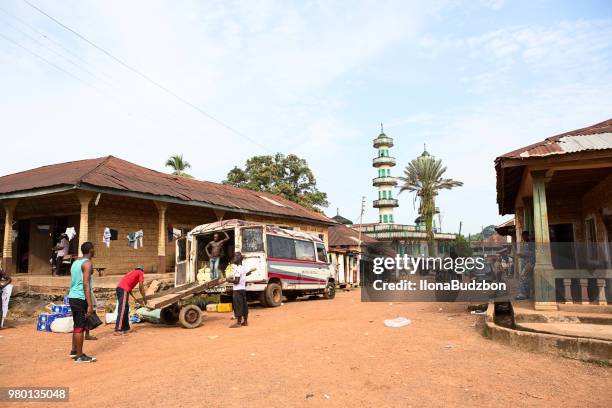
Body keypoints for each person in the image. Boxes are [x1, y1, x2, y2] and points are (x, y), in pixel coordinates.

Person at [68, 242, 96, 363]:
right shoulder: (87, 263)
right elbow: (85, 284)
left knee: (77, 325)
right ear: (91, 250)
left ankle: (74, 351)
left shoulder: (76, 263)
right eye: (94, 249)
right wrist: (90, 304)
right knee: (80, 327)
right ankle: (79, 356)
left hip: (72, 296)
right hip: (80, 297)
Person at [114, 266, 147, 335]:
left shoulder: (132, 273)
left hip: (121, 289)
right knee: (123, 309)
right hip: (123, 290)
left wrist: (136, 299)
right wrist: (144, 298)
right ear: (142, 270)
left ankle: (126, 328)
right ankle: (118, 329)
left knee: (126, 308)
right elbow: (141, 286)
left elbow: (129, 288)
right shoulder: (140, 272)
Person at [230, 252, 256, 328]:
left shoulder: (238, 269)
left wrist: (229, 280)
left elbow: (237, 281)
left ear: (238, 258)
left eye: (235, 257)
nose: (234, 258)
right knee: (244, 305)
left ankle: (238, 323)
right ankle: (245, 321)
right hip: (243, 289)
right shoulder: (243, 268)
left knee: (238, 306)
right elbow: (246, 274)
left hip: (237, 290)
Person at [515, 231, 535, 300]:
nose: (523, 237)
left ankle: (523, 294)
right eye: (522, 236)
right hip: (527, 263)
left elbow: (533, 253)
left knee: (523, 277)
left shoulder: (531, 243)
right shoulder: (526, 243)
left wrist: (522, 254)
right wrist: (521, 255)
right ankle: (527, 294)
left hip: (530, 263)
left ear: (527, 236)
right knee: (527, 279)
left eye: (524, 236)